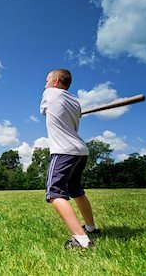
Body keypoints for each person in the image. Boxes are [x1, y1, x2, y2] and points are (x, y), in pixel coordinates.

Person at [40, 69, 100, 249]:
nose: (45, 84)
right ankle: (90, 227)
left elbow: (43, 111)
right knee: (75, 190)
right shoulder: (75, 102)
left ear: (56, 82)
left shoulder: (49, 94)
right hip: (80, 151)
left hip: (63, 150)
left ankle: (82, 241)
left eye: (47, 80)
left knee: (54, 192)